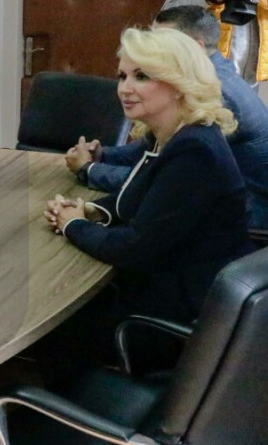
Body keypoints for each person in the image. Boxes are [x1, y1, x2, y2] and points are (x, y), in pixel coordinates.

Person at [47, 27, 252, 325]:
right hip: (165, 283)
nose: (124, 88)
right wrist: (90, 210)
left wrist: (73, 225)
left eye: (141, 76)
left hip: (181, 308)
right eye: (122, 76)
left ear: (179, 84)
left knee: (56, 312)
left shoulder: (195, 150)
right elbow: (144, 196)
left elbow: (134, 248)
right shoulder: (172, 135)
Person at [66, 6, 268, 229]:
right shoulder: (213, 73)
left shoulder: (217, 95)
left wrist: (90, 169)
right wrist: (104, 156)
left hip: (248, 219)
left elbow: (163, 182)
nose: (152, 48)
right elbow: (154, 151)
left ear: (194, 48)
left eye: (164, 40)